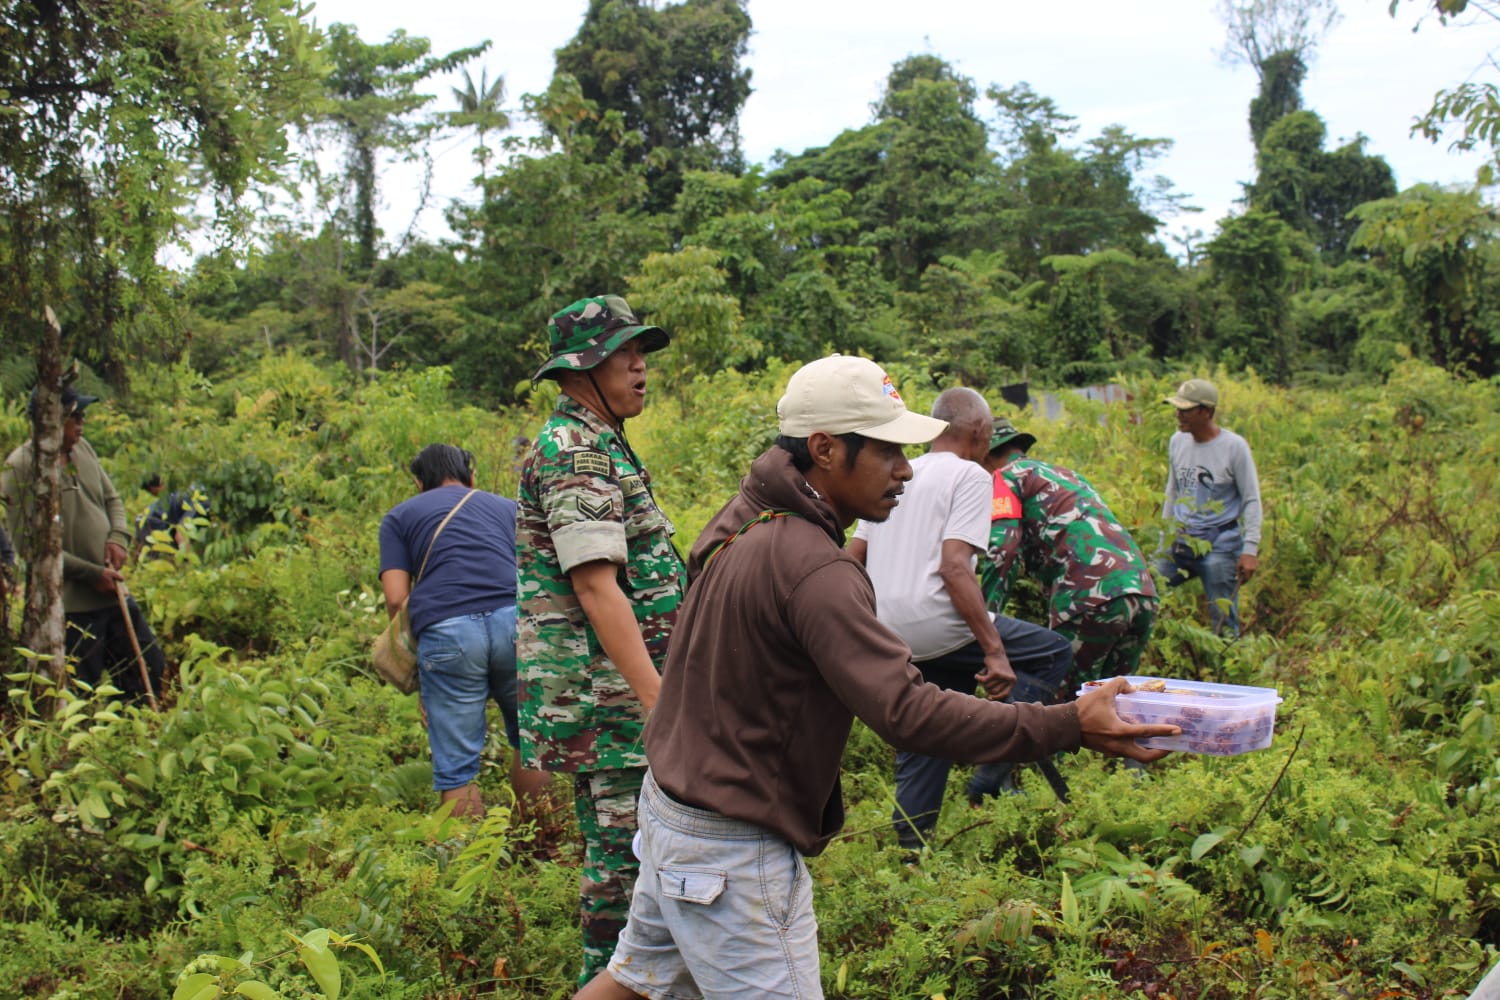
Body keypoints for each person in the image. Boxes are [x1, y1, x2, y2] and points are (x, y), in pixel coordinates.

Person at [576, 355, 1177, 1000]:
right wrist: (1067, 722)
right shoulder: (815, 568)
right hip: (730, 846)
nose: (906, 469)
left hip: (672, 807)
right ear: (825, 448)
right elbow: (907, 712)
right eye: (888, 450)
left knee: (632, 985)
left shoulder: (743, 516)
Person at [516, 294, 685, 985]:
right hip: (613, 706)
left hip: (624, 703)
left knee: (642, 867)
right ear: (584, 366)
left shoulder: (602, 440)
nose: (641, 367)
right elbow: (595, 586)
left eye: (641, 353)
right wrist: (660, 701)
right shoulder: (574, 450)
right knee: (624, 878)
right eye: (626, 355)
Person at [846, 388, 1072, 846]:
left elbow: (853, 557)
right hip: (940, 621)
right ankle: (993, 758)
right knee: (1052, 652)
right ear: (980, 433)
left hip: (892, 630)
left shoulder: (897, 473)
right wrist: (995, 652)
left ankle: (910, 850)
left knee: (925, 731)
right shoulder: (970, 475)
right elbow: (954, 567)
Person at [968, 417, 1160, 802]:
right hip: (1140, 592)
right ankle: (1135, 790)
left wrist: (983, 624)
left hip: (1089, 597)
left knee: (1054, 701)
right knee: (1117, 694)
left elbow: (1001, 554)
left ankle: (988, 783)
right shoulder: (1060, 474)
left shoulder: (1003, 478)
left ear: (986, 455)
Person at [378, 443, 552, 821]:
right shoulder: (507, 508)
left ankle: (470, 866)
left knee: (456, 765)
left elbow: (395, 599)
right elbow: (537, 573)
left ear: (418, 483)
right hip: (515, 624)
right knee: (530, 741)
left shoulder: (399, 517)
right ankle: (540, 842)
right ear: (471, 476)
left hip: (447, 633)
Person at [1, 385, 165, 701]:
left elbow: (112, 499)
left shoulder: (82, 449)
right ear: (50, 420)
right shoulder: (20, 467)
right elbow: (30, 548)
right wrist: (92, 574)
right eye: (75, 417)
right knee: (80, 696)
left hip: (114, 595)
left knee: (148, 672)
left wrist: (118, 538)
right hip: (71, 609)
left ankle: (130, 742)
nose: (82, 424)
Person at [1158, 379, 1262, 636]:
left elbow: (1251, 499)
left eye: (1185, 410)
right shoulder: (1177, 442)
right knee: (1150, 591)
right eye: (1177, 408)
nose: (1178, 415)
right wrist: (1164, 542)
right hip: (1180, 541)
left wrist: (1250, 549)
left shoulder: (1234, 447)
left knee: (1223, 620)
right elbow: (1173, 492)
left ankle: (1226, 664)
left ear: (1206, 411)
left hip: (1220, 545)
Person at [134, 474, 209, 560]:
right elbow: (181, 534)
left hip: (146, 520)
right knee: (160, 565)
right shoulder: (200, 501)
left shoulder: (195, 489)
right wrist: (192, 565)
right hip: (150, 525)